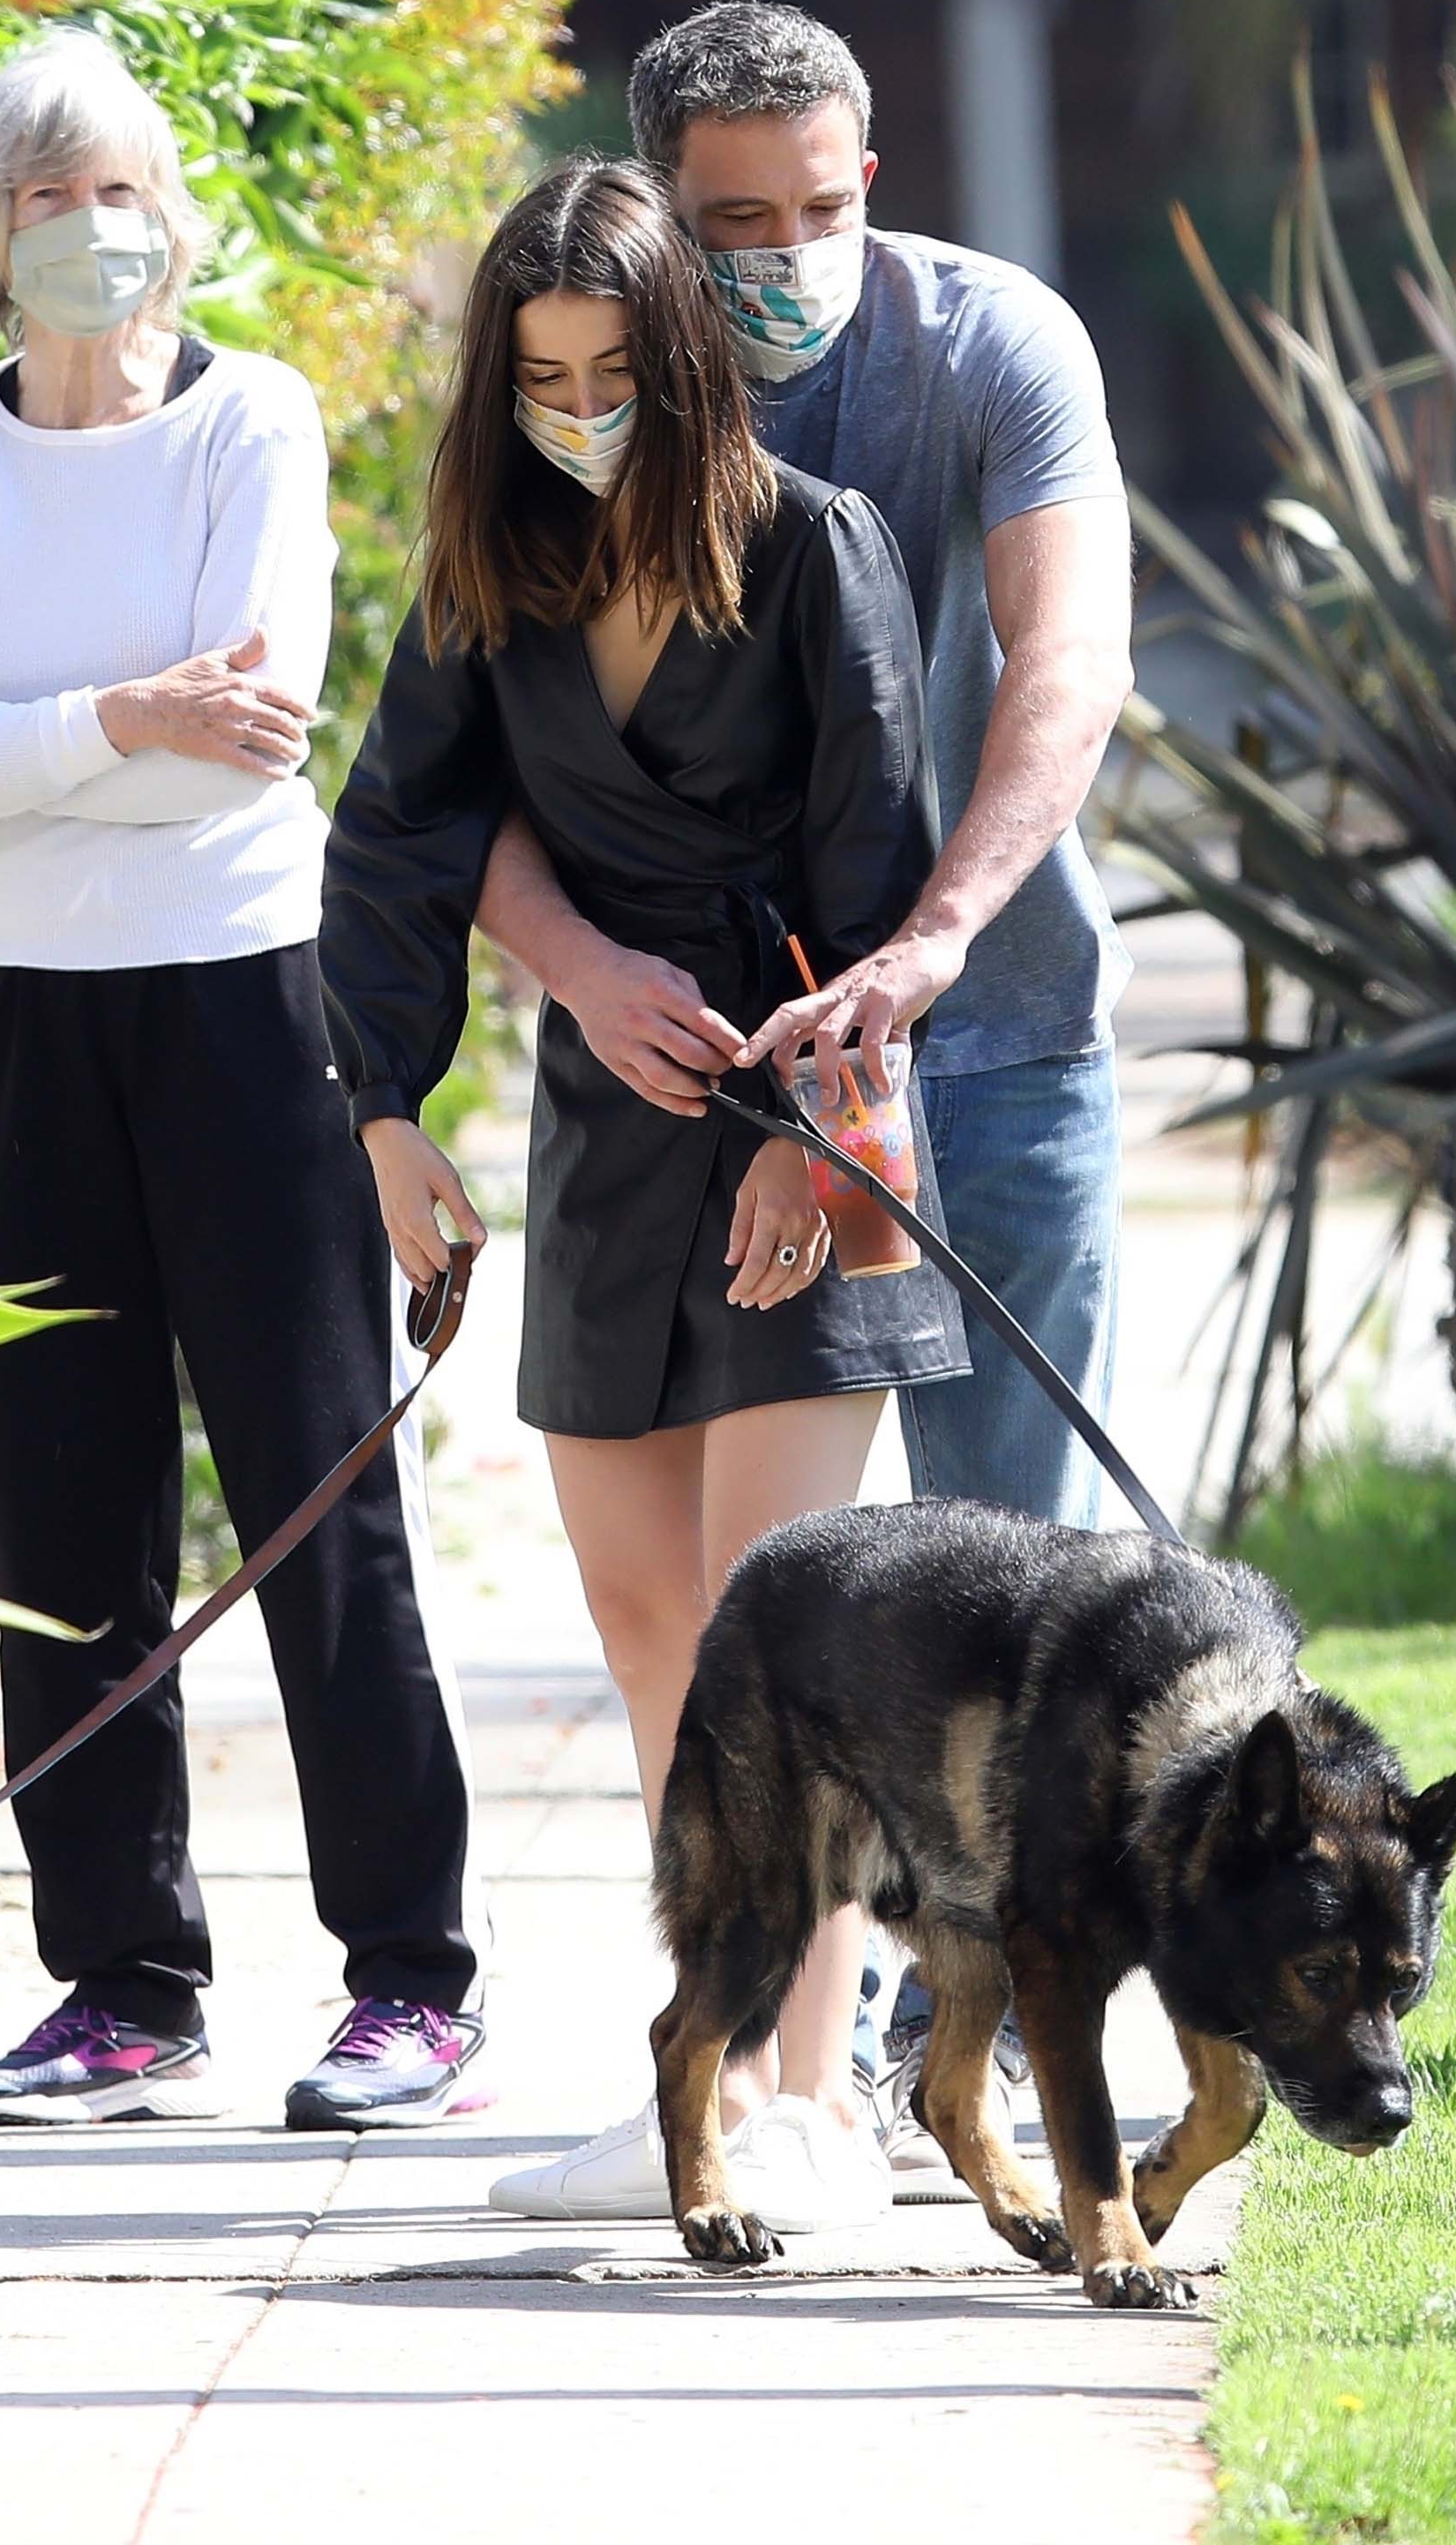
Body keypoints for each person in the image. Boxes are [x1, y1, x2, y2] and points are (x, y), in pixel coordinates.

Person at [475, 2, 1133, 2202]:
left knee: (1022, 1600)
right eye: (730, 220)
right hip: (731, 1092)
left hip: (997, 1042)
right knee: (787, 1608)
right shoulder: (591, 393)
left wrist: (934, 943)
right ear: (657, 203)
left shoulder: (985, 347)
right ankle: (793, 2060)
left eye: (822, 208)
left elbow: (1067, 655)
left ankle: (1027, 2048)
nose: (782, 256)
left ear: (874, 175)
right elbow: (446, 770)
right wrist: (586, 979)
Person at [317, 156, 966, 2234]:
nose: (574, 407)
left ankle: (814, 2105)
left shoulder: (814, 547)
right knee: (646, 1628)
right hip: (608, 1130)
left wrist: (807, 1135)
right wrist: (388, 1109)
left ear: (680, 362)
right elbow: (402, 832)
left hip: (804, 1119)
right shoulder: (488, 566)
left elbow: (879, 872)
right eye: (537, 375)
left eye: (609, 370)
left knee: (788, 1641)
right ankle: (708, 2065)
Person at [0, 31, 487, 2131]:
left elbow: (255, 723)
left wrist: (28, 744)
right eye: (46, 198)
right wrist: (117, 720)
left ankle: (412, 1978)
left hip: (246, 1005)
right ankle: (122, 1983)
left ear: (176, 215)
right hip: (1, 1025)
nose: (96, 231)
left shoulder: (249, 418)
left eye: (125, 190)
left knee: (313, 1486)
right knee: (56, 1511)